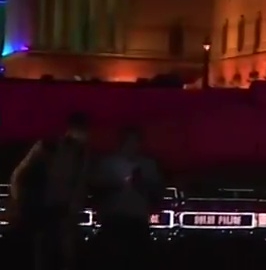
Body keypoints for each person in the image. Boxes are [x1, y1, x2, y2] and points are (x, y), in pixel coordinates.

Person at [8, 112, 92, 270]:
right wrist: (20, 204)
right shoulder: (50, 146)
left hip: (62, 217)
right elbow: (19, 176)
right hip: (44, 213)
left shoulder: (80, 154)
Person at [92, 127, 160, 267]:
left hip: (138, 220)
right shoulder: (108, 164)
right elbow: (97, 190)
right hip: (114, 219)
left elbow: (156, 193)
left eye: (135, 141)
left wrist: (143, 185)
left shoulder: (148, 165)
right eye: (129, 141)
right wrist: (112, 186)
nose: (132, 145)